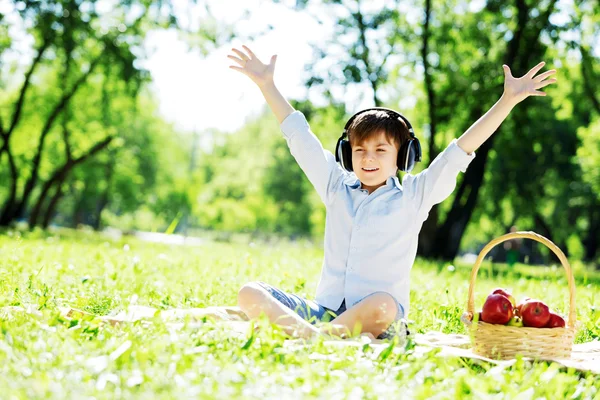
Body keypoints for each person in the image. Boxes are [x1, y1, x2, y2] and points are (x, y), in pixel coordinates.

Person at [228, 45, 557, 341]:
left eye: (380, 149)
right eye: (359, 150)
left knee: (385, 304)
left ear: (402, 157)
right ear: (347, 155)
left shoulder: (414, 196)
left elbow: (460, 150)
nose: (368, 158)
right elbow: (301, 138)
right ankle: (320, 336)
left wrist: (508, 100)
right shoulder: (335, 185)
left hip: (381, 320)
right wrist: (267, 86)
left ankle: (313, 337)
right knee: (250, 292)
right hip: (325, 313)